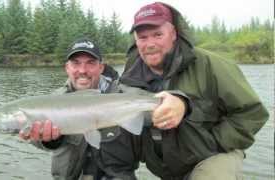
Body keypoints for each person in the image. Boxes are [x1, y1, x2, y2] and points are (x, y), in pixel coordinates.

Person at [119, 2, 269, 180]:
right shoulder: (128, 76)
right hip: (167, 169)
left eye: (158, 35)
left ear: (173, 34)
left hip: (214, 156)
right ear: (136, 40)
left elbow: (253, 113)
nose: (150, 44)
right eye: (143, 37)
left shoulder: (212, 65)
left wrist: (212, 143)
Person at [19, 38, 138, 180]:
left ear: (101, 68)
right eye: (76, 63)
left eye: (90, 63)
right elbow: (35, 140)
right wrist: (51, 141)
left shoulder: (123, 94)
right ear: (67, 68)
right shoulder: (53, 100)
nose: (82, 70)